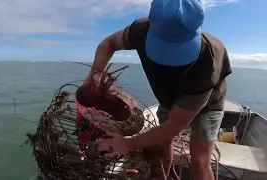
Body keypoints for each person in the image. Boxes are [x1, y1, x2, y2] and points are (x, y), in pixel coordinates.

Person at [81, 0, 232, 179]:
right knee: (161, 148)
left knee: (200, 161)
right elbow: (109, 43)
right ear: (151, 25)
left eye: (176, 49)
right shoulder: (140, 30)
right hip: (169, 96)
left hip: (208, 104)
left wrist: (128, 144)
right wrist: (95, 73)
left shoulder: (208, 62)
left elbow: (174, 126)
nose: (168, 59)